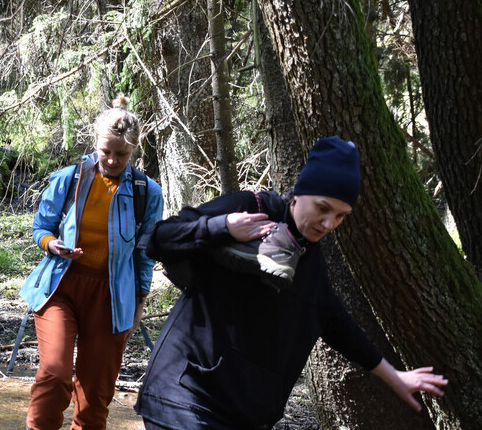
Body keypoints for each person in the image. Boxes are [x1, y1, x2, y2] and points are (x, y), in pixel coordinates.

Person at [134, 136, 447, 430]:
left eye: (340, 216)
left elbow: (340, 327)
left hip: (239, 415)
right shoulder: (252, 208)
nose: (328, 224)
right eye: (323, 208)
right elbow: (157, 239)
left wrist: (395, 377)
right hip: (184, 395)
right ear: (299, 194)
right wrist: (222, 226)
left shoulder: (311, 264)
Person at [20, 95, 164, 430]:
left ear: (134, 151)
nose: (112, 160)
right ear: (95, 142)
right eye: (107, 152)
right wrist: (51, 243)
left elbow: (145, 253)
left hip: (113, 297)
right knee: (55, 374)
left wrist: (140, 301)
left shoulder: (147, 193)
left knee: (95, 394)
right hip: (61, 287)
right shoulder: (69, 179)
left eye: (122, 154)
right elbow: (41, 227)